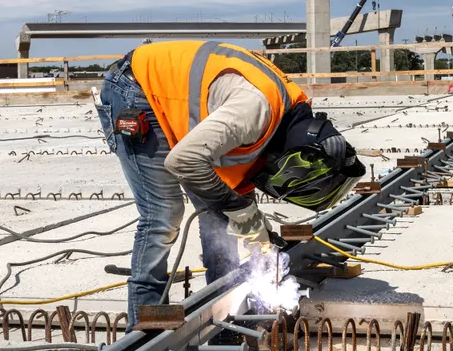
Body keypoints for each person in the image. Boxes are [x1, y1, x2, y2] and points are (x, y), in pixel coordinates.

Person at [94, 41, 365, 329]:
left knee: (217, 214)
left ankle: (221, 314)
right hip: (137, 90)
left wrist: (255, 229)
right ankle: (144, 324)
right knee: (163, 213)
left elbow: (236, 172)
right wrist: (240, 209)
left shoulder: (282, 119)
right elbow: (183, 162)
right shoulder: (254, 112)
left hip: (169, 98)